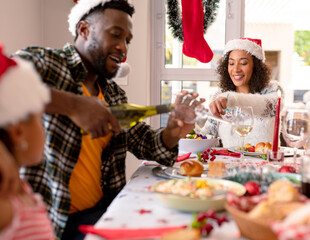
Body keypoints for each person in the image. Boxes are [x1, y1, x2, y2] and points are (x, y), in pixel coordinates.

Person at [13, 0, 203, 239]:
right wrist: (73, 104)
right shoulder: (47, 63)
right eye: (115, 35)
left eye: (127, 41)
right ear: (84, 30)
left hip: (103, 213)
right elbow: (5, 80)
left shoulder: (113, 94)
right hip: (55, 223)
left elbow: (144, 142)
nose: (123, 48)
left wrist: (173, 132)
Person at [0, 44, 55, 239]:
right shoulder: (5, 205)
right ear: (18, 132)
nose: (44, 130)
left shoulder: (22, 189)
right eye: (40, 121)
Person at [197, 38, 284, 147]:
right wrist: (190, 123)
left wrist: (232, 100)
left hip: (265, 162)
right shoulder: (219, 95)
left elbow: (269, 107)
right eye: (231, 63)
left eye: (243, 63)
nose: (236, 69)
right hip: (229, 163)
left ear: (255, 66)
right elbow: (206, 137)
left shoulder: (272, 89)